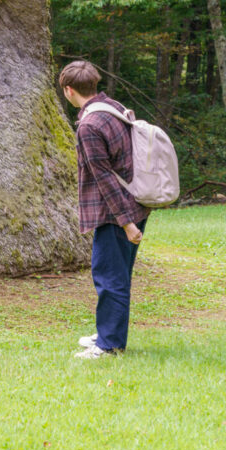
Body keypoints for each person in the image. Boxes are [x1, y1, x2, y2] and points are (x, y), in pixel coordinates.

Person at [59, 60, 150, 360]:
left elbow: (105, 178)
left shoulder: (89, 125)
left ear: (69, 90)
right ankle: (108, 333)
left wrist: (126, 224)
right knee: (117, 275)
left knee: (110, 277)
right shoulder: (113, 107)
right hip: (134, 204)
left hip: (115, 212)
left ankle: (109, 345)